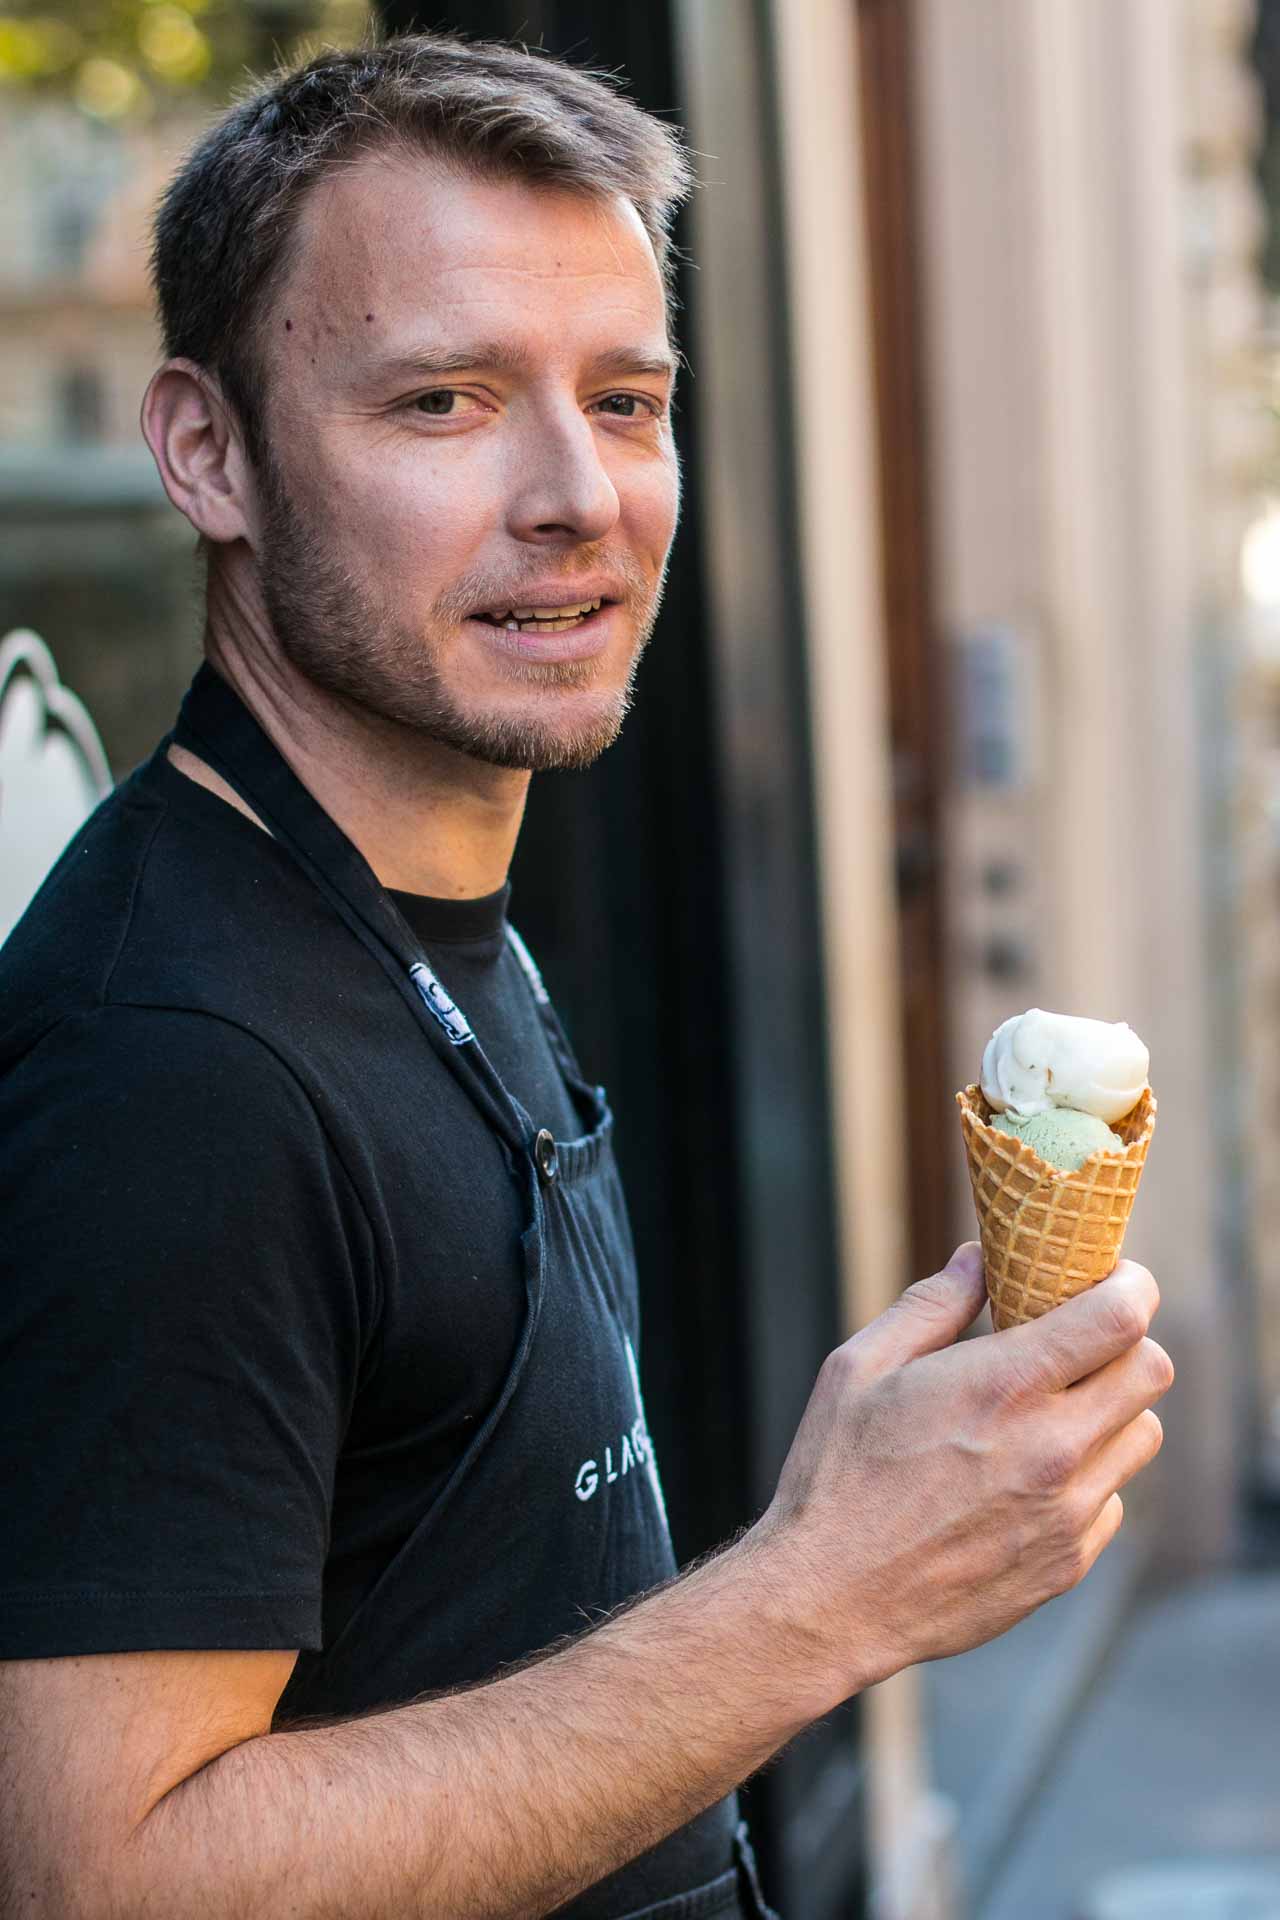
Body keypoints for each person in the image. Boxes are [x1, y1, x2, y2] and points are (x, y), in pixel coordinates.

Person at [0, 31, 1173, 1920]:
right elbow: (95, 1875)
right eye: (447, 402)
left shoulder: (425, 911)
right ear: (204, 451)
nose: (579, 497)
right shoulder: (177, 1065)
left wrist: (833, 1550)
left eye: (627, 402)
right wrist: (819, 1598)